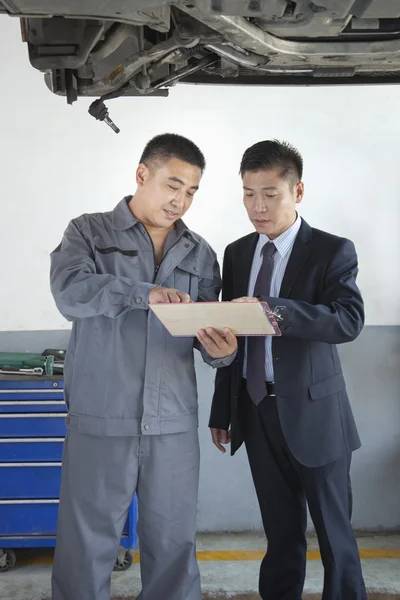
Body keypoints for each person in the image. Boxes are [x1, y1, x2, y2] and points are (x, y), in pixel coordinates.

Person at [49, 133, 237, 600]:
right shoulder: (88, 232)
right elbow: (69, 293)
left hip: (171, 423)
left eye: (192, 191)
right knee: (86, 546)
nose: (181, 201)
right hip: (101, 416)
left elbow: (207, 338)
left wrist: (222, 349)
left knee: (174, 546)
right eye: (174, 185)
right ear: (142, 175)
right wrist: (142, 294)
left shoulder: (199, 251)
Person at [209, 140, 366, 600]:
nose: (257, 206)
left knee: (336, 537)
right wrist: (223, 409)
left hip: (317, 416)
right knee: (280, 536)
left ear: (298, 191)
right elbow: (228, 336)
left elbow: (348, 321)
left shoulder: (332, 250)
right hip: (256, 413)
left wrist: (275, 312)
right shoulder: (237, 253)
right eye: (248, 193)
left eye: (270, 194)